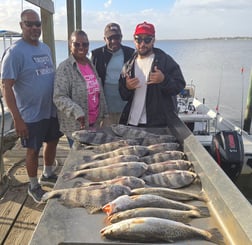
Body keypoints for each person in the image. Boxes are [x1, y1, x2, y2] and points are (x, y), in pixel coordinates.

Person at [0, 9, 63, 203]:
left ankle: (49, 173)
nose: (35, 28)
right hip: (30, 114)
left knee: (52, 142)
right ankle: (33, 185)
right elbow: (6, 86)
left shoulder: (45, 48)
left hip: (50, 109)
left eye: (37, 24)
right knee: (32, 150)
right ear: (21, 26)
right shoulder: (14, 53)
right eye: (29, 24)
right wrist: (17, 119)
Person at [119, 21, 186, 127]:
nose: (142, 44)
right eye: (139, 39)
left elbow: (180, 85)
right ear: (134, 40)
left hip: (158, 124)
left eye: (147, 40)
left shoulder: (165, 60)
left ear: (153, 40)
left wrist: (163, 80)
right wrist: (127, 87)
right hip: (132, 122)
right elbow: (123, 95)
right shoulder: (128, 65)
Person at [53, 30, 108, 147]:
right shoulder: (65, 68)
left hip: (94, 124)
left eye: (85, 44)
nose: (81, 47)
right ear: (70, 45)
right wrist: (77, 111)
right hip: (77, 127)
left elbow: (97, 90)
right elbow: (59, 97)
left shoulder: (90, 64)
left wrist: (104, 114)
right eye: (76, 44)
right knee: (81, 160)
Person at [91, 23, 134, 124]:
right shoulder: (96, 55)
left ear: (121, 37)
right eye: (110, 38)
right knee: (106, 136)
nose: (114, 41)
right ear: (104, 38)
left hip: (125, 106)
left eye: (117, 37)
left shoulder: (131, 53)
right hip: (104, 107)